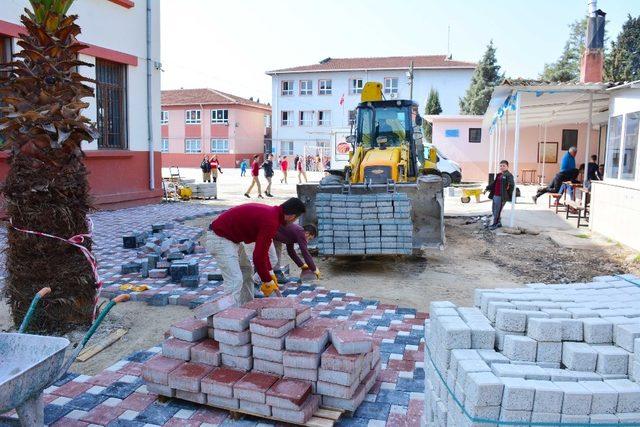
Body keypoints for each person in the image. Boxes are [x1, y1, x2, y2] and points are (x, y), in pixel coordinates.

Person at [206, 198, 307, 304]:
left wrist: (269, 274)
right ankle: (229, 317)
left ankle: (247, 307)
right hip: (219, 238)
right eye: (295, 219)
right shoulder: (271, 221)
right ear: (292, 216)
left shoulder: (273, 215)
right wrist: (267, 281)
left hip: (230, 239)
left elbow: (264, 252)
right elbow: (258, 257)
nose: (293, 222)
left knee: (246, 271)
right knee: (235, 280)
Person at [484, 160, 515, 229]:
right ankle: (498, 223)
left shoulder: (509, 175)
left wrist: (507, 195)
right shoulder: (499, 175)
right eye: (501, 166)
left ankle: (495, 224)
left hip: (501, 197)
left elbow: (512, 185)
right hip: (495, 195)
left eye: (504, 166)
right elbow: (494, 184)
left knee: (497, 211)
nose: (502, 167)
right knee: (494, 210)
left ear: (507, 167)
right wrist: (487, 188)